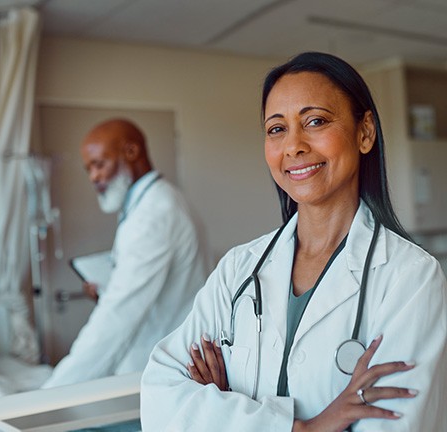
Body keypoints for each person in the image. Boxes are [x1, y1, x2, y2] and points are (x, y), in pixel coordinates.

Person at [140, 52, 447, 431]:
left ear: (364, 132)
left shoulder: (410, 279)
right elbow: (159, 395)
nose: (294, 146)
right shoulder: (239, 270)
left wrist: (224, 407)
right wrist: (305, 427)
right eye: (276, 129)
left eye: (315, 121)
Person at [42, 118, 209, 388]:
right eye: (89, 169)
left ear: (131, 152)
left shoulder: (154, 213)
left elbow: (118, 315)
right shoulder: (153, 202)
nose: (94, 177)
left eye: (99, 164)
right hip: (156, 358)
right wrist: (108, 286)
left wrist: (49, 396)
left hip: (160, 367)